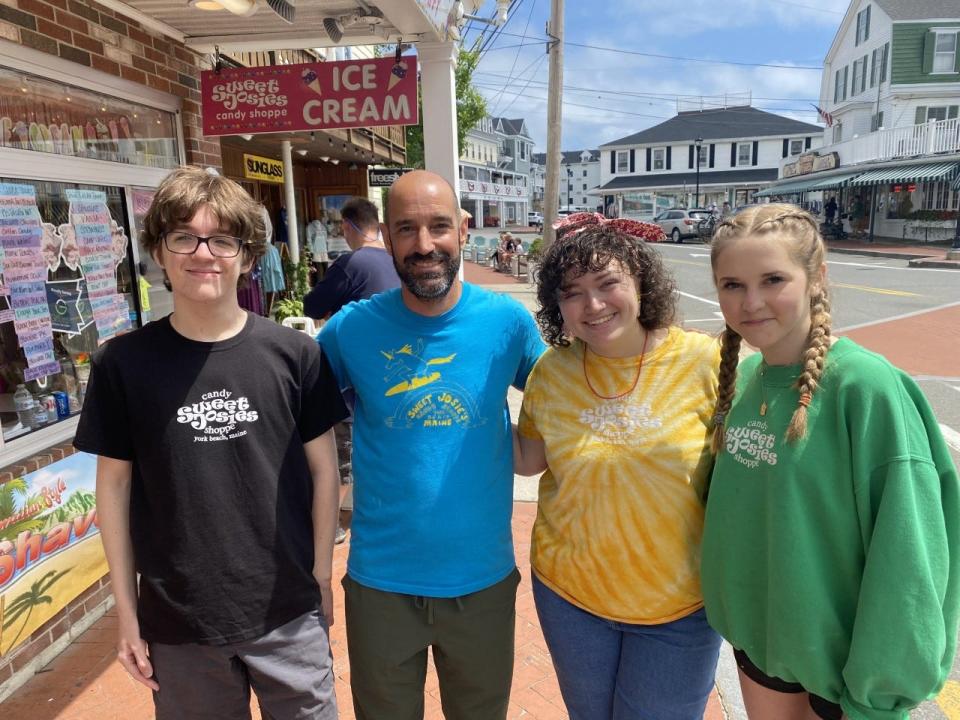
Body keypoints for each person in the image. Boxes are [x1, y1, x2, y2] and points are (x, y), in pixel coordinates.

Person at [74, 166, 347, 720]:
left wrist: (321, 575)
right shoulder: (122, 364)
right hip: (180, 624)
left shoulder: (294, 356)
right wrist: (126, 613)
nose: (204, 253)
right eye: (184, 236)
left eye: (223, 239)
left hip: (287, 610)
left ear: (247, 256)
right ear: (159, 251)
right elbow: (114, 492)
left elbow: (325, 474)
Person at [703, 204, 960, 720]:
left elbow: (909, 556)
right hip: (762, 646)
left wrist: (879, 693)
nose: (751, 302)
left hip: (845, 676)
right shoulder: (747, 375)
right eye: (732, 284)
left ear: (817, 277)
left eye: (773, 279)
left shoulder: (866, 388)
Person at [318, 169, 544, 720]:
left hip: (482, 580)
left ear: (464, 230)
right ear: (386, 238)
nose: (425, 245)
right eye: (406, 229)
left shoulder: (507, 323)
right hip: (381, 584)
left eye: (439, 227)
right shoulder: (352, 329)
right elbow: (291, 411)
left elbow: (565, 398)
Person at [513, 221, 723, 719]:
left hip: (681, 604)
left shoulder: (706, 361)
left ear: (641, 284)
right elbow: (527, 460)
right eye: (573, 293)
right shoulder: (552, 371)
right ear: (557, 306)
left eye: (608, 284)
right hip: (571, 598)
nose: (594, 305)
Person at [303, 197, 400, 544]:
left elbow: (312, 305)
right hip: (393, 373)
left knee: (340, 456)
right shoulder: (396, 260)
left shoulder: (352, 262)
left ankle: (332, 524)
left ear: (347, 226)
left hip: (350, 376)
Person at [303, 197, 399, 320]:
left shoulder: (349, 264)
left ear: (346, 226)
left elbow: (312, 308)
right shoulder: (397, 259)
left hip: (360, 336)